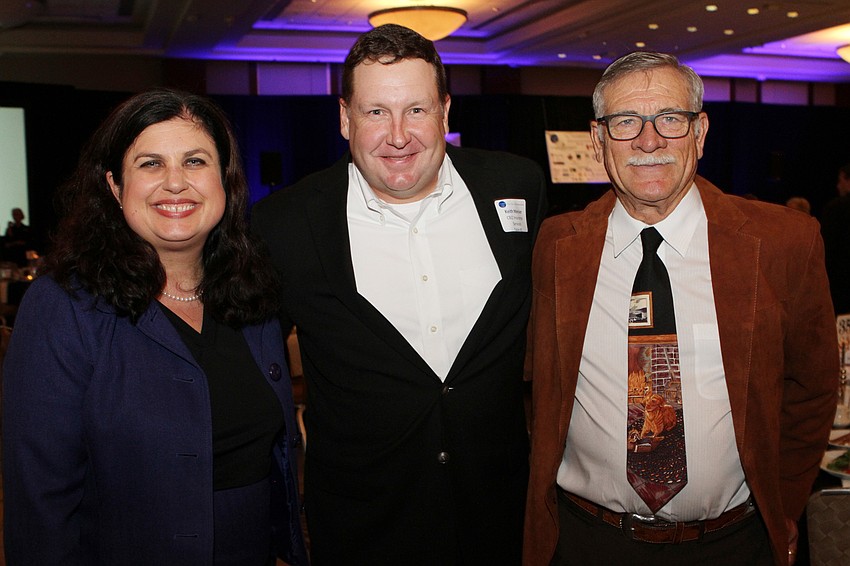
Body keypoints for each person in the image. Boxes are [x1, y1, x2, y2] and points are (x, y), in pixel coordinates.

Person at [523, 52, 838, 566]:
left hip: (734, 544)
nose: (650, 141)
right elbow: (533, 386)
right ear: (599, 140)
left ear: (701, 131)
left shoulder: (785, 243)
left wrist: (777, 509)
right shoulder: (557, 247)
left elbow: (812, 391)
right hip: (588, 541)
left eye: (671, 118)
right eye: (626, 122)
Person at [251, 24, 547, 565]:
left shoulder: (517, 186)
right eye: (375, 112)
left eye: (416, 109)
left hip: (501, 519)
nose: (398, 134)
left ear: (446, 112)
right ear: (344, 118)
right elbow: (246, 363)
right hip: (364, 528)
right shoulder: (286, 224)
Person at [2, 89, 308, 566]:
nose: (175, 183)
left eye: (195, 161)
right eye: (149, 164)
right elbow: (39, 503)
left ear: (225, 179)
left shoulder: (255, 293)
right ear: (115, 186)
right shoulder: (63, 307)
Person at [820, 162, 850, 314]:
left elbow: (826, 249)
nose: (838, 186)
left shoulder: (836, 208)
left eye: (840, 181)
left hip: (841, 288)